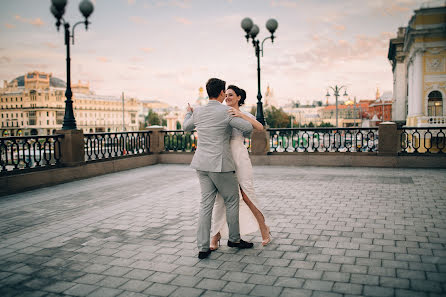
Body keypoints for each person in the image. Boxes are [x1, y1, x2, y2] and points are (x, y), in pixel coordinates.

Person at [183, 78, 254, 260]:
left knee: (205, 205)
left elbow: (186, 127)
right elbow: (247, 129)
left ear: (208, 92)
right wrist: (238, 114)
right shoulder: (226, 112)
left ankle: (203, 248)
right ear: (222, 93)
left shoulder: (198, 112)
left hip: (201, 164)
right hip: (221, 165)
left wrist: (188, 113)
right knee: (231, 201)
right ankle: (234, 239)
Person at [209, 85, 271, 250]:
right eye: (226, 94)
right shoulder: (221, 112)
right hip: (223, 157)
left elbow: (259, 127)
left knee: (247, 194)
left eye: (231, 95)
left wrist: (241, 115)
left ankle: (264, 229)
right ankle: (215, 237)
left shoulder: (245, 114)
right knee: (221, 198)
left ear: (238, 97)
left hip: (240, 157)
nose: (227, 97)